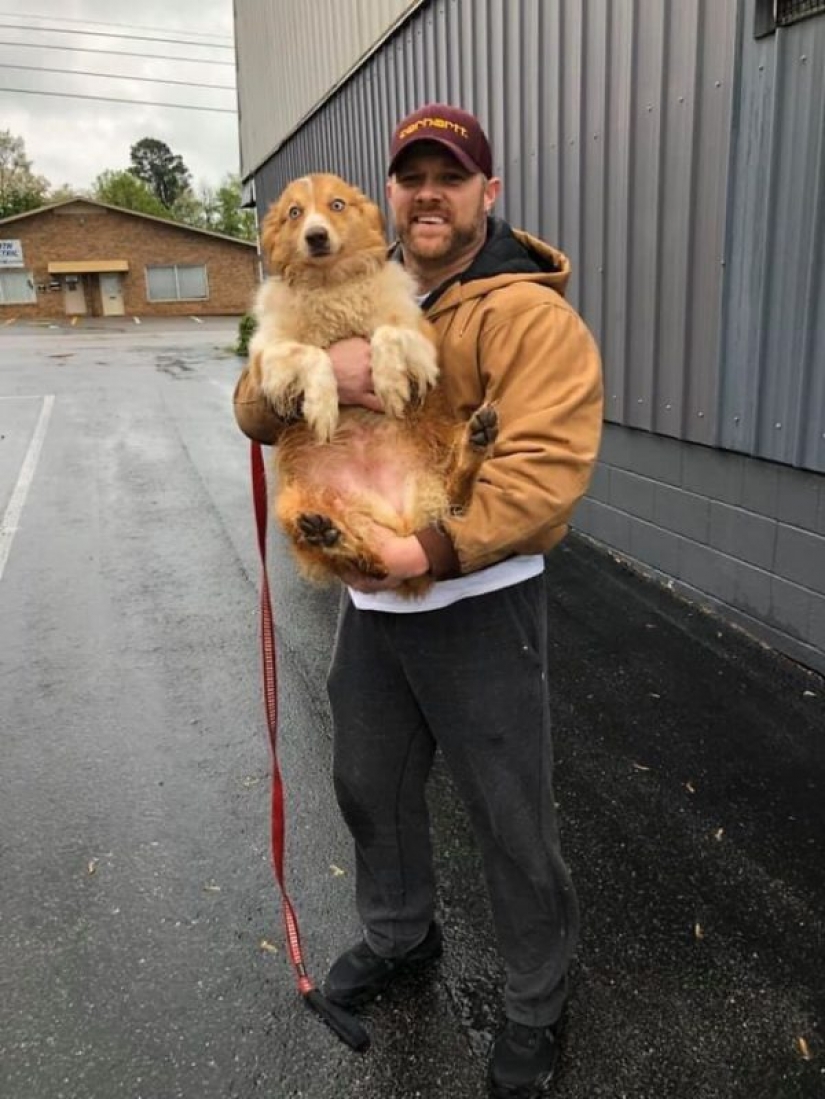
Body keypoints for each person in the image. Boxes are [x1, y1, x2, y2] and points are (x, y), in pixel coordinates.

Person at [233, 103, 603, 1098]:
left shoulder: (527, 313)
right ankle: (402, 937)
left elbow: (547, 471)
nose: (428, 194)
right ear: (387, 194)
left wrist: (426, 545)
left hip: (477, 600)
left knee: (508, 815)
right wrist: (321, 376)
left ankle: (536, 1001)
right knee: (371, 786)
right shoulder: (353, 282)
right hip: (373, 606)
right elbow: (252, 406)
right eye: (413, 177)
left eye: (452, 177)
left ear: (490, 193)